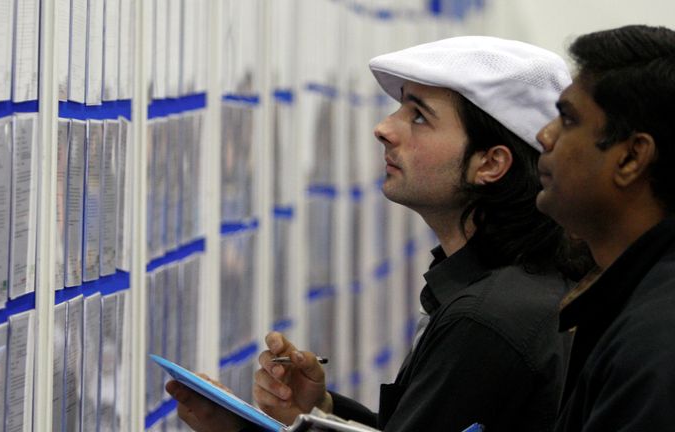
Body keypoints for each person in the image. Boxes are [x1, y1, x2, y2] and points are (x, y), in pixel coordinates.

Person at [167, 36, 588, 431]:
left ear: (490, 164)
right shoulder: (514, 287)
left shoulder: (488, 320)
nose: (385, 127)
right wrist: (321, 411)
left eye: (419, 116)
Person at [534, 25, 675, 431]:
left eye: (567, 119)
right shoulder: (639, 301)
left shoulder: (657, 341)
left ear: (631, 157)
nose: (544, 136)